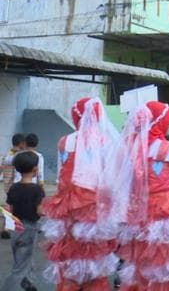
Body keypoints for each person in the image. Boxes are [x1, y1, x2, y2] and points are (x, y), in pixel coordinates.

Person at [107, 101, 169, 290]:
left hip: (139, 211)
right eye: (168, 119)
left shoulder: (132, 148)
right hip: (167, 211)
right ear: (160, 122)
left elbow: (122, 181)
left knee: (142, 262)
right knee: (167, 264)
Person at [42, 97, 120, 290]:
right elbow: (110, 178)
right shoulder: (105, 141)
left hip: (68, 204)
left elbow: (62, 173)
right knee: (93, 252)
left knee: (70, 249)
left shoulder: (64, 141)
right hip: (94, 204)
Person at [0, 151, 45, 291]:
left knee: (23, 258)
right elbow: (40, 211)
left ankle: (28, 282)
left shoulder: (14, 188)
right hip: (29, 228)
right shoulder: (38, 190)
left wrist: (5, 227)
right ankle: (8, 287)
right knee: (20, 265)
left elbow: (8, 208)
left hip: (15, 227)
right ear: (35, 169)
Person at [1, 133, 27, 240]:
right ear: (21, 143)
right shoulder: (19, 156)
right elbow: (18, 173)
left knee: (9, 206)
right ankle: (8, 228)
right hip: (16, 186)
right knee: (15, 207)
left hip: (7, 186)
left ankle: (6, 227)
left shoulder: (7, 155)